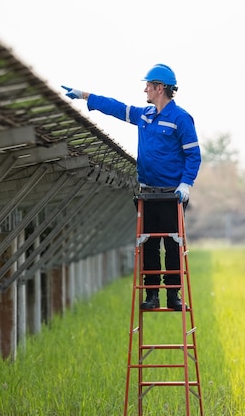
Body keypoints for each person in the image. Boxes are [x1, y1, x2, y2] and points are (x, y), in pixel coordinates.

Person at [62, 63, 201, 311]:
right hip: (147, 194)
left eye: (148, 85)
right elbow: (116, 108)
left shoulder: (180, 118)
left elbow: (193, 155)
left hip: (171, 195)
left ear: (160, 88)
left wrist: (186, 184)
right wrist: (85, 96)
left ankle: (172, 295)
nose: (145, 89)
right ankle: (152, 294)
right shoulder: (145, 115)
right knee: (148, 243)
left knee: (171, 243)